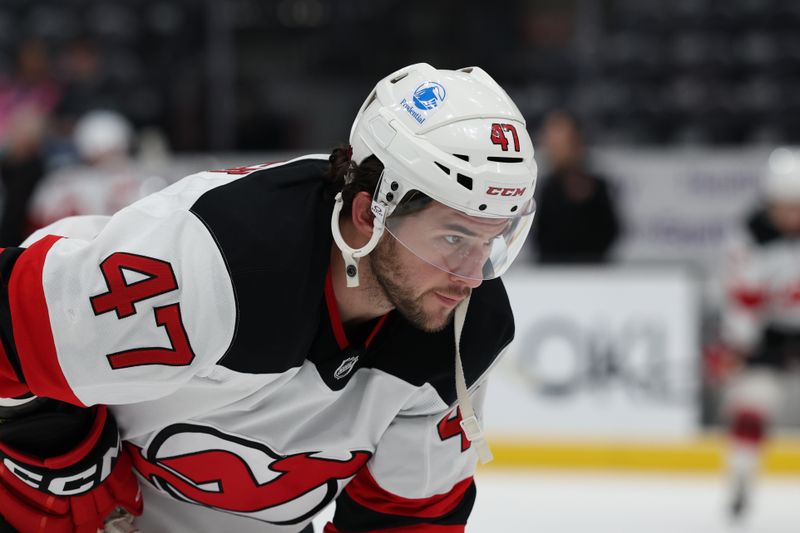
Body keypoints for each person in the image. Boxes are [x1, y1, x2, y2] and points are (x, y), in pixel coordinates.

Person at [0, 63, 537, 533]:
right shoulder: (222, 258)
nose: (471, 276)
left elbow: (408, 516)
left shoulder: (467, 329)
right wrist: (51, 445)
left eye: (492, 240)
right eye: (453, 238)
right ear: (367, 213)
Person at [719, 147, 800, 520]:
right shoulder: (749, 238)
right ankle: (741, 478)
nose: (793, 215)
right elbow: (742, 300)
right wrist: (742, 346)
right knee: (752, 401)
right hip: (767, 338)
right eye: (787, 206)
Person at [529, 110, 620, 263]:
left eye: (560, 143)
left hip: (592, 274)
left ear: (576, 142)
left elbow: (609, 233)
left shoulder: (595, 187)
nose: (552, 149)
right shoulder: (546, 188)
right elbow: (540, 239)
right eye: (550, 142)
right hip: (549, 276)